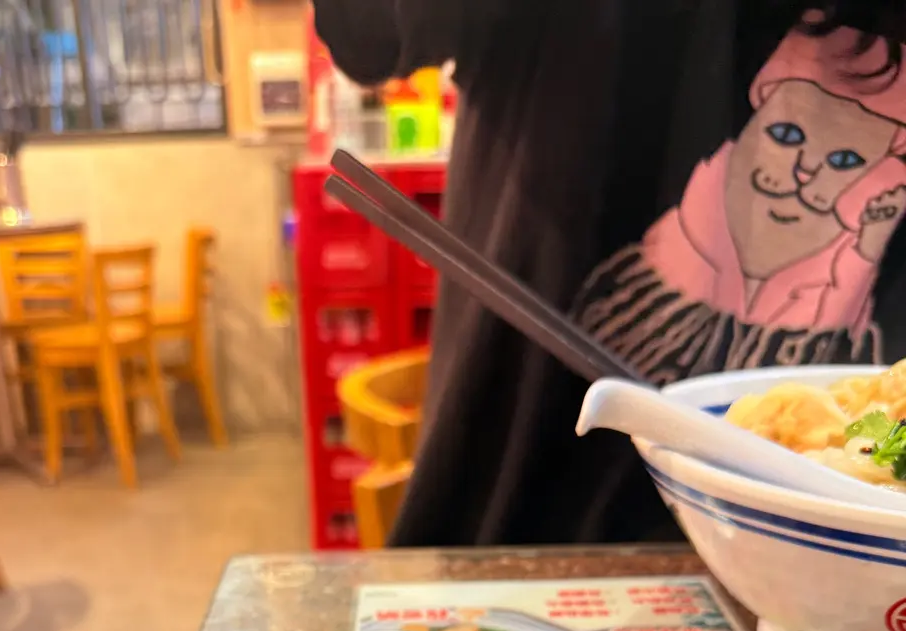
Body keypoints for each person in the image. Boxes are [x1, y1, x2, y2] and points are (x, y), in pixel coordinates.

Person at [310, 1, 906, 546]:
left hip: (863, 563)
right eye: (784, 136)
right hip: (530, 542)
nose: (805, 174)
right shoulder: (646, 282)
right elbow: (368, 32)